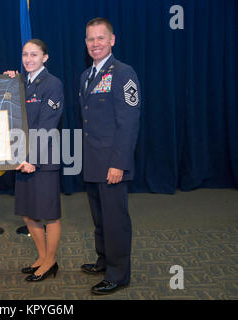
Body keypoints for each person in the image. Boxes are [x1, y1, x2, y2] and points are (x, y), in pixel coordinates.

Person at [79, 18, 141, 295]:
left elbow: (129, 122)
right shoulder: (85, 76)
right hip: (92, 161)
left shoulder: (124, 73)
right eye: (91, 39)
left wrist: (119, 163)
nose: (95, 44)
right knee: (100, 217)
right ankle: (104, 260)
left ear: (112, 40)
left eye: (100, 38)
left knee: (115, 219)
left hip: (112, 163)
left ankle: (118, 274)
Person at [5, 39, 64, 282]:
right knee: (29, 213)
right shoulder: (21, 83)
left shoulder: (52, 84)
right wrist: (6, 80)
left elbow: (47, 126)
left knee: (49, 214)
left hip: (42, 160)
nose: (29, 59)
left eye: (34, 55)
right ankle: (41, 257)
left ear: (45, 57)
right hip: (22, 159)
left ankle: (51, 261)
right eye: (25, 54)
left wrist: (33, 160)